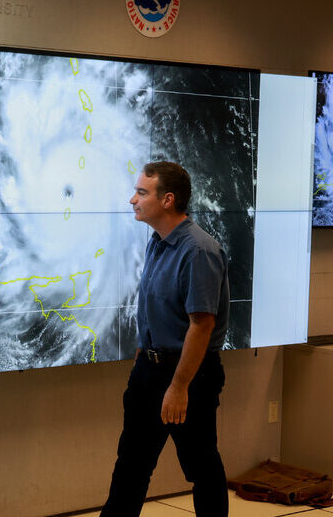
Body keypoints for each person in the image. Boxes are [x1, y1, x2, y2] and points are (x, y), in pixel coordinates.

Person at [101, 161, 230, 516]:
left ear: (168, 200)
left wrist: (178, 387)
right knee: (130, 466)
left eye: (142, 193)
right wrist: (146, 354)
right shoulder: (158, 243)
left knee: (202, 468)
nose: (133, 200)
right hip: (150, 371)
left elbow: (201, 326)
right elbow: (158, 307)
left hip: (188, 377)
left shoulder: (199, 251)